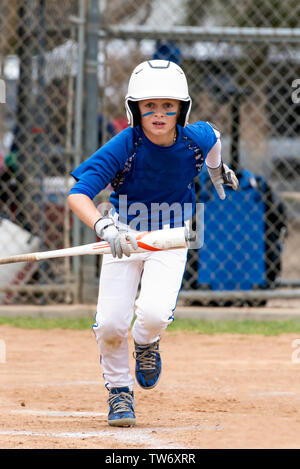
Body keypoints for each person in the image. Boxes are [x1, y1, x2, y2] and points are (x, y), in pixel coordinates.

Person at [67, 59, 238, 427]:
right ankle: (119, 392)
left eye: (168, 106)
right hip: (124, 235)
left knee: (154, 314)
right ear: (135, 109)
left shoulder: (197, 137)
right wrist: (104, 227)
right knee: (111, 325)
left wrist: (216, 169)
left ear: (181, 109)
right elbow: (78, 194)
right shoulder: (124, 144)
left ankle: (145, 342)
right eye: (149, 106)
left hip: (172, 235)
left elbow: (215, 140)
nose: (159, 114)